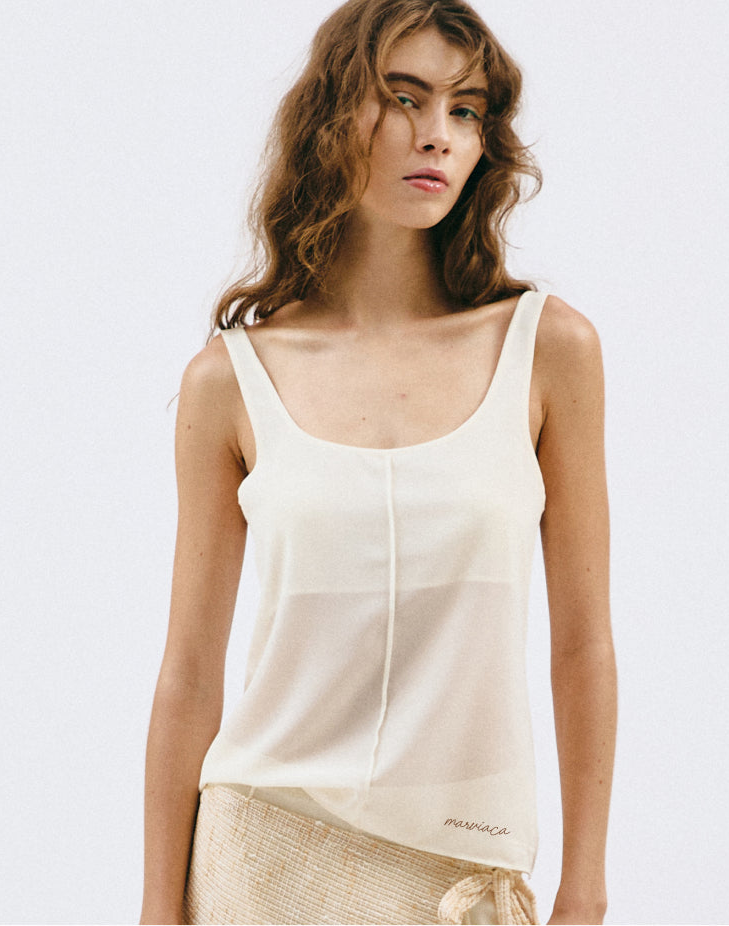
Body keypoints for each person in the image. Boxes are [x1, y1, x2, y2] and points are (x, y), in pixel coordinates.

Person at [141, 0, 616, 922]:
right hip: (259, 861)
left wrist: (585, 892)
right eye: (404, 98)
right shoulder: (231, 380)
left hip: (459, 875)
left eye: (465, 110)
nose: (437, 134)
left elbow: (583, 644)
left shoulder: (548, 350)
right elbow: (189, 674)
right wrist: (160, 910)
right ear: (331, 118)